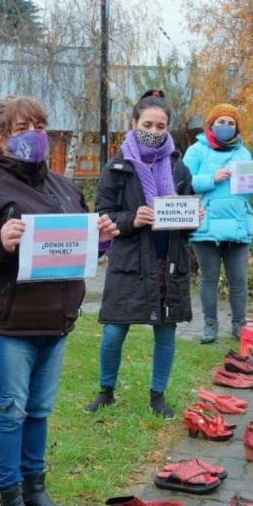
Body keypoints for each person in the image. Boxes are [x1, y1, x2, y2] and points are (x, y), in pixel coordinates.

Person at [0, 96, 119, 506]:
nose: (34, 134)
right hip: (6, 325)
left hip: (54, 321)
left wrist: (99, 240)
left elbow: (73, 250)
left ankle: (35, 487)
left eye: (40, 124)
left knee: (39, 411)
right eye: (23, 127)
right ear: (2, 137)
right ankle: (9, 496)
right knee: (10, 412)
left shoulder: (63, 187)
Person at [85, 90, 197, 419]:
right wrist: (131, 219)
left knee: (166, 331)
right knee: (114, 331)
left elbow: (186, 216)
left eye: (161, 126)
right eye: (147, 123)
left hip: (169, 259)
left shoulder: (179, 168)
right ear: (134, 124)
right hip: (130, 262)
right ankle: (106, 391)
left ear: (168, 129)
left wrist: (195, 218)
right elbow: (102, 215)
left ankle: (158, 396)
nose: (154, 130)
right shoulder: (117, 168)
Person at [184, 103, 253, 343]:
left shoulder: (242, 153)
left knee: (239, 281)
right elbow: (181, 183)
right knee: (208, 279)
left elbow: (249, 190)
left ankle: (239, 326)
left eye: (231, 122)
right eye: (221, 121)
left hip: (238, 226)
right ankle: (210, 326)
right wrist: (211, 178)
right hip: (205, 227)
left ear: (237, 127)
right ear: (211, 124)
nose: (226, 126)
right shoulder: (196, 150)